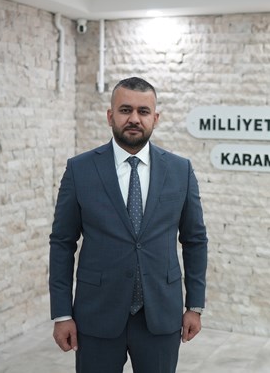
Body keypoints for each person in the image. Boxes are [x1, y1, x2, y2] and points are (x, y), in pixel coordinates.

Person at [49, 77, 208, 373]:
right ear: (110, 116)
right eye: (125, 110)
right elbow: (62, 243)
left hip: (160, 315)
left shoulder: (180, 170)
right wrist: (61, 313)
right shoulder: (80, 169)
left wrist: (194, 306)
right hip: (96, 315)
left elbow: (195, 240)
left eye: (143, 111)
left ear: (155, 118)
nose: (134, 118)